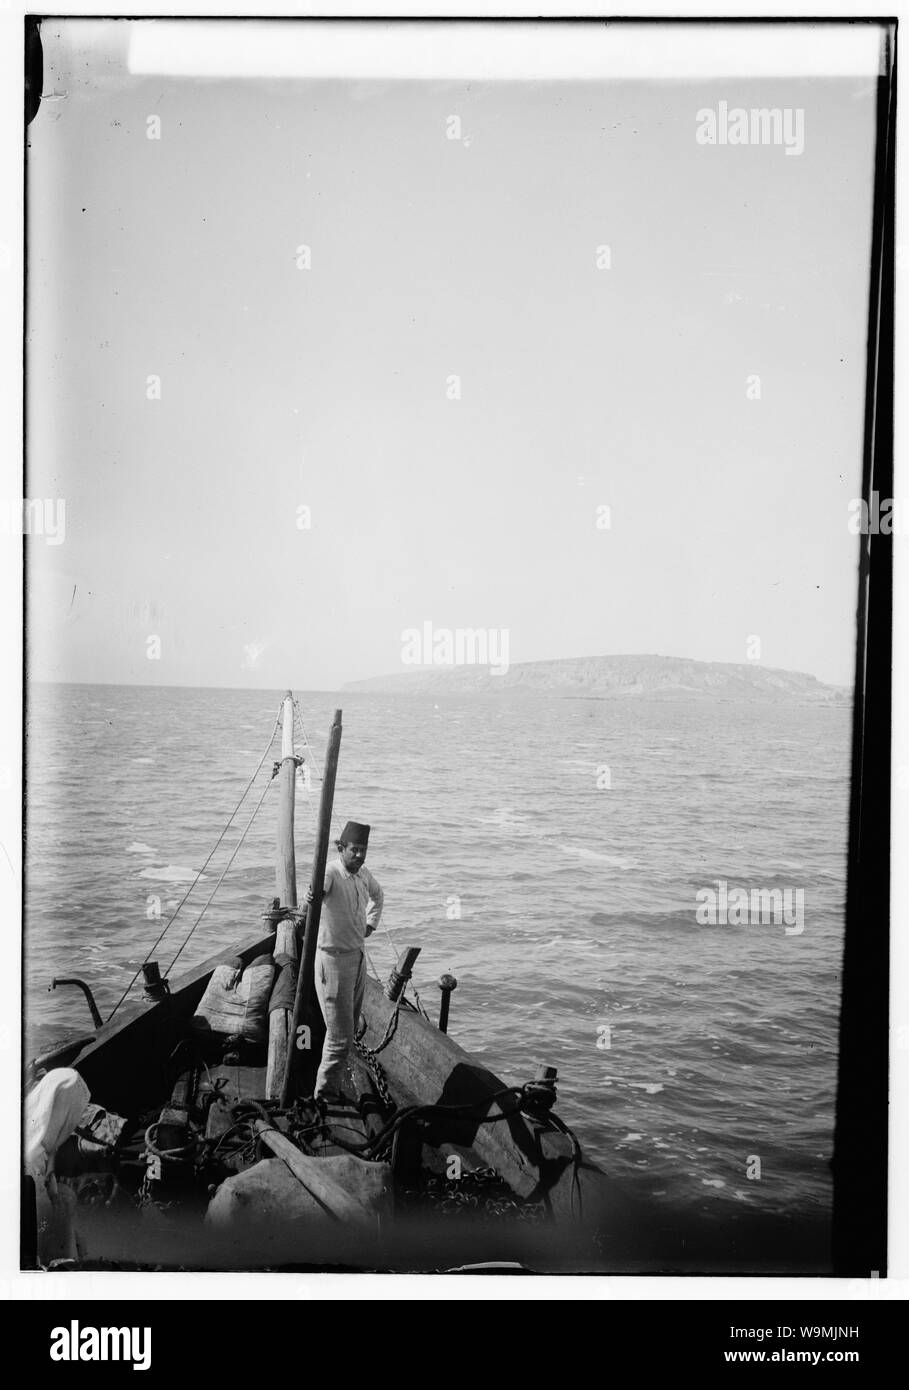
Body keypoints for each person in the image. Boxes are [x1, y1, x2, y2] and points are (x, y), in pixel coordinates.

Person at [303, 820, 383, 1102]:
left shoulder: (362, 874)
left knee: (346, 1032)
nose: (360, 856)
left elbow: (378, 895)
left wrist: (370, 925)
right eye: (355, 850)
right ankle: (324, 1096)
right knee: (339, 1038)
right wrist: (312, 896)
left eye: (364, 850)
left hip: (357, 959)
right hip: (333, 964)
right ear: (341, 848)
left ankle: (330, 1087)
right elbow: (316, 892)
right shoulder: (331, 873)